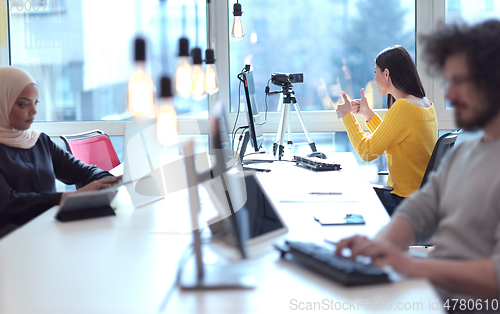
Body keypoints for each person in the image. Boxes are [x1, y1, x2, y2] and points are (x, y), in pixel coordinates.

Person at [335, 20, 500, 311]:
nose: (448, 96)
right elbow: (423, 204)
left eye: (460, 81)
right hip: (435, 293)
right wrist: (383, 243)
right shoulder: (470, 151)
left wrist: (410, 264)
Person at [0, 66, 120, 238]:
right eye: (24, 104)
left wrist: (107, 180)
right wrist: (66, 198)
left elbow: (82, 172)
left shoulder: (39, 141)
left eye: (36, 103)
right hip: (11, 243)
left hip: (48, 233)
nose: (34, 111)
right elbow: (8, 203)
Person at [336, 45, 438, 215]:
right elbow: (396, 137)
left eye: (376, 72)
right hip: (423, 203)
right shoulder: (424, 103)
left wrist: (347, 116)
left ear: (386, 74)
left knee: (349, 196)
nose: (374, 79)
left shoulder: (404, 106)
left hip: (404, 204)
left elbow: (367, 151)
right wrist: (367, 113)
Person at [318, 46, 384, 110]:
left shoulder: (373, 86)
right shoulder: (349, 87)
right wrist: (324, 96)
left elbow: (365, 113)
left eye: (346, 65)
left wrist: (341, 95)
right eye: (342, 65)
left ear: (355, 66)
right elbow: (337, 113)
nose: (343, 68)